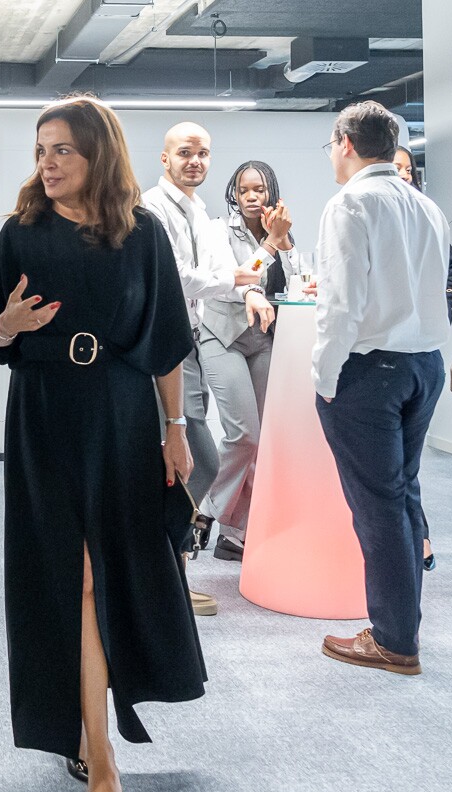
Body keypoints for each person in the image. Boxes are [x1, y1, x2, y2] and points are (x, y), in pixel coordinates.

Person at [0, 97, 206, 792]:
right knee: (67, 578)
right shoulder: (21, 232)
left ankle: (94, 735)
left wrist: (176, 429)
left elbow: (165, 341)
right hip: (43, 415)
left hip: (122, 415)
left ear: (97, 154)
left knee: (110, 573)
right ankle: (98, 751)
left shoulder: (142, 232)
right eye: (41, 151)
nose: (46, 164)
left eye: (62, 151)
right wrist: (7, 324)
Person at [313, 101, 450, 675]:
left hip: (370, 372)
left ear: (345, 143)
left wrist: (324, 378)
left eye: (331, 146)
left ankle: (394, 640)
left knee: (378, 506)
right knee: (402, 493)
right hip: (424, 365)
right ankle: (403, 626)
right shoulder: (425, 204)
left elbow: (341, 304)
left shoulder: (351, 203)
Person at [140, 122, 263, 615]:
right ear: (165, 158)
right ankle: (163, 573)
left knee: (187, 462)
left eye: (203, 153)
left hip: (191, 340)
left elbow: (216, 275)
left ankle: (170, 572)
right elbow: (177, 279)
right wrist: (233, 281)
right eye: (185, 153)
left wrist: (241, 283)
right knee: (196, 461)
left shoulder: (197, 210)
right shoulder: (153, 207)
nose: (195, 161)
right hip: (166, 347)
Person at [202, 160, 301, 562]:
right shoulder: (217, 230)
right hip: (222, 336)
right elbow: (237, 279)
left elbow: (297, 281)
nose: (251, 197)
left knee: (261, 445)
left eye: (259, 189)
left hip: (263, 339)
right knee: (244, 435)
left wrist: (284, 242)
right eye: (244, 190)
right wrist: (271, 244)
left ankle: (234, 533)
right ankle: (205, 508)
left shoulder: (280, 231)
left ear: (271, 192)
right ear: (234, 194)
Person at [392, 145, 452, 571]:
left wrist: (440, 303)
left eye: (408, 169)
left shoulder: (427, 216)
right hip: (387, 350)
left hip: (419, 351)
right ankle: (414, 537)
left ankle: (417, 537)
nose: (403, 174)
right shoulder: (372, 214)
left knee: (405, 462)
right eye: (396, 167)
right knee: (398, 463)